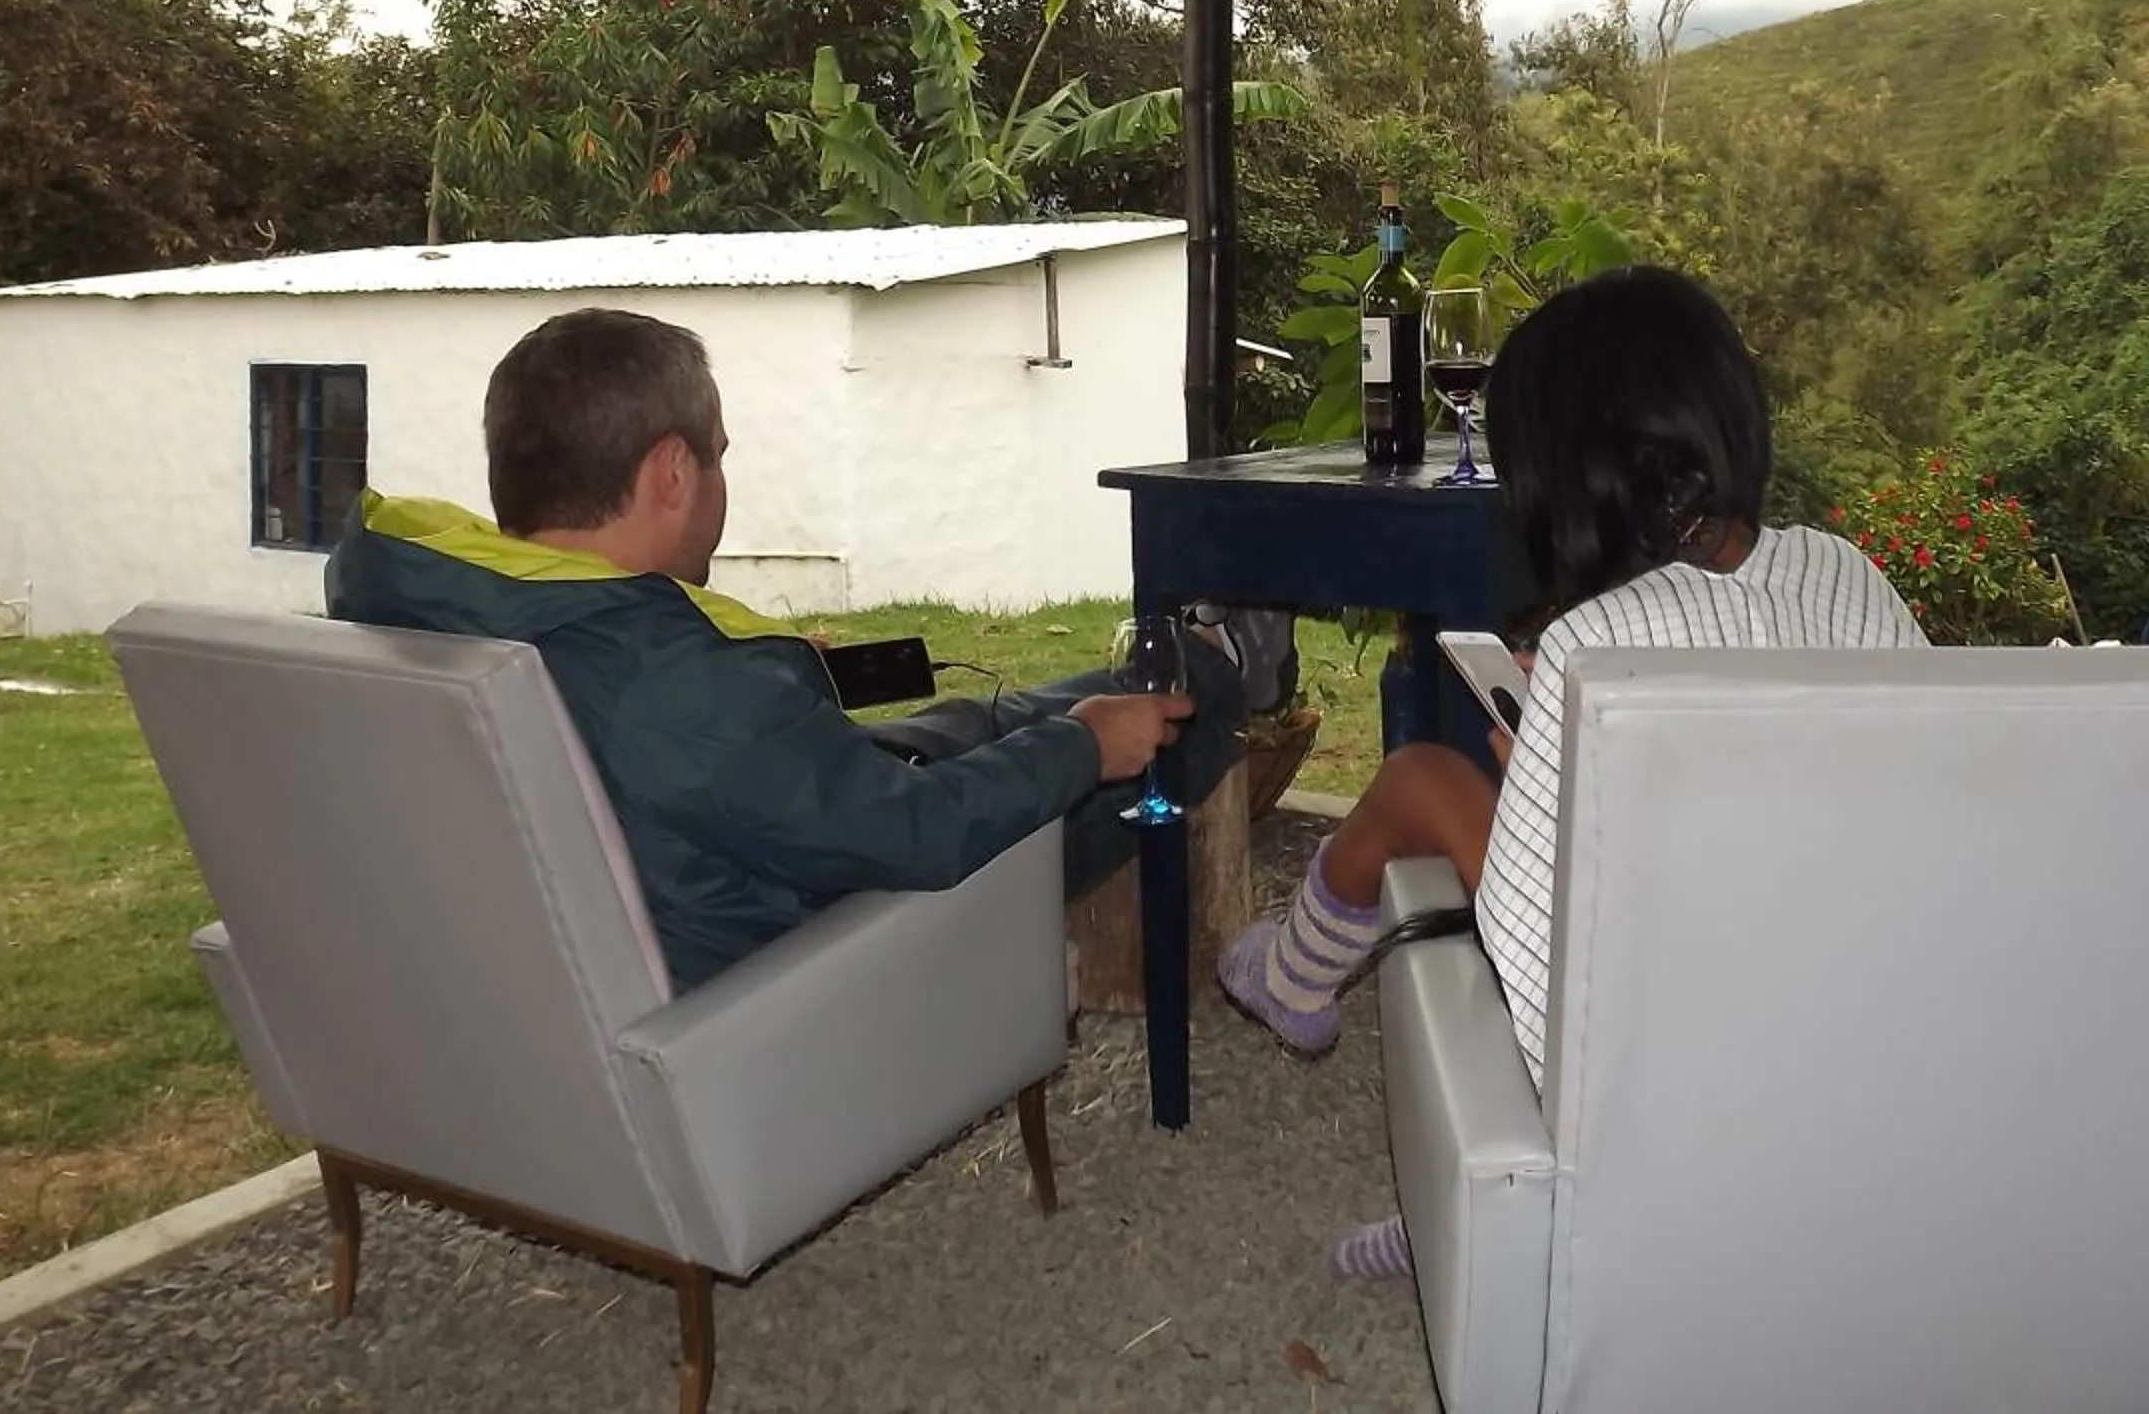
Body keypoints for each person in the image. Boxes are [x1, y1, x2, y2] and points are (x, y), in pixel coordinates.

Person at [1215, 266, 1926, 1280]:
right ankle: (1302, 985)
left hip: (1683, 1086)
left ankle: (1452, 1203)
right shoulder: (1848, 570)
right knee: (1430, 778)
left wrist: (1546, 781)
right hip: (1866, 1037)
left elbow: (1554, 1014)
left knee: (1422, 778)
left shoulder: (1594, 644)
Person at [325, 306, 1243, 995]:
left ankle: (1161, 674)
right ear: (673, 473)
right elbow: (917, 834)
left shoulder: (430, 600)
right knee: (1145, 739)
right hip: (807, 945)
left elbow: (730, 759)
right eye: (718, 456)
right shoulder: (676, 681)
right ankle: (1218, 669)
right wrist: (1083, 747)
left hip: (726, 837)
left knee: (985, 718)